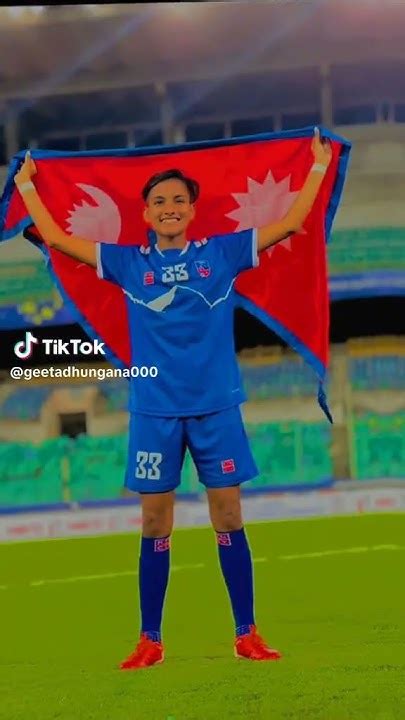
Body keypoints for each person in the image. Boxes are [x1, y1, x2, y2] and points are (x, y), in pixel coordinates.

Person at [14, 127, 332, 669]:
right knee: (155, 523)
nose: (169, 208)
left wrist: (319, 166)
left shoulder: (222, 252)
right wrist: (26, 185)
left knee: (228, 516)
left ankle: (246, 633)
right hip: (154, 411)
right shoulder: (127, 263)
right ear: (146, 213)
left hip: (216, 406)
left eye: (178, 200)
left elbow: (290, 223)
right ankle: (150, 640)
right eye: (159, 201)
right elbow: (59, 240)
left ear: (191, 210)